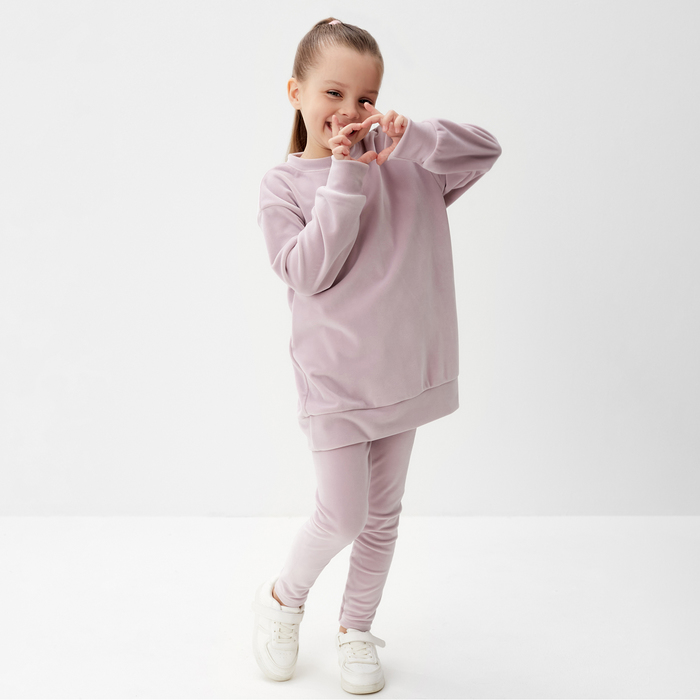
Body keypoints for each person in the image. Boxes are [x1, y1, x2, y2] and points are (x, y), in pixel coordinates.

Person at [251, 16, 502, 695]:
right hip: (334, 381)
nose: (349, 111)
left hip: (402, 375)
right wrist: (343, 175)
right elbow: (309, 272)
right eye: (333, 93)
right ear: (296, 92)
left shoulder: (406, 162)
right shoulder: (283, 186)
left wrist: (410, 138)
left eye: (364, 97)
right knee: (341, 514)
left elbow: (485, 150)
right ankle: (283, 599)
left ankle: (356, 629)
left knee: (382, 519)